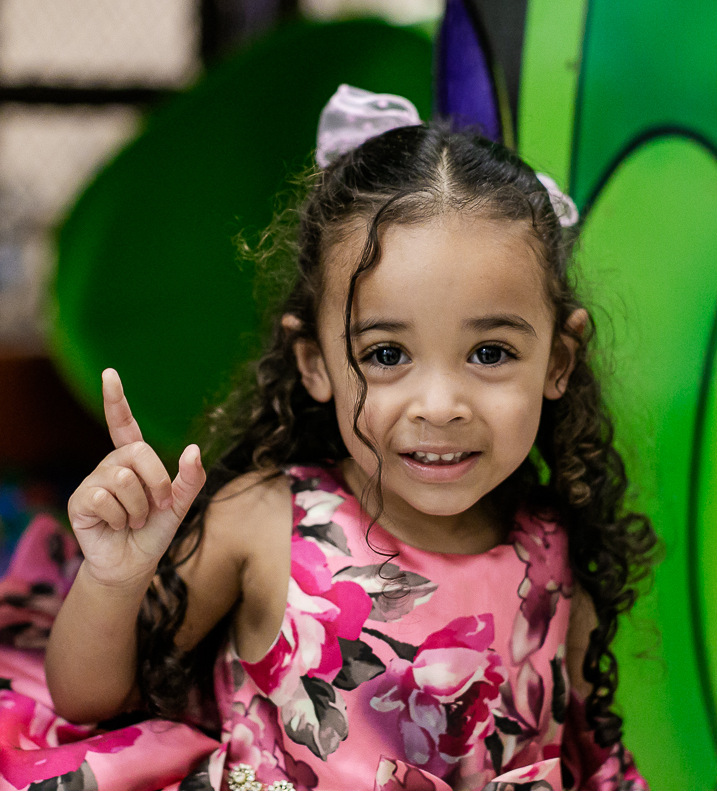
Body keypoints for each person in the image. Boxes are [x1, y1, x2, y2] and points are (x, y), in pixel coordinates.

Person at [40, 86, 658, 791]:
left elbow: (587, 756)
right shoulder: (266, 521)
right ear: (315, 364)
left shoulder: (554, 548)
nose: (440, 405)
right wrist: (115, 577)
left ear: (558, 360)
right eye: (387, 355)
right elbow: (87, 699)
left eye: (490, 353)